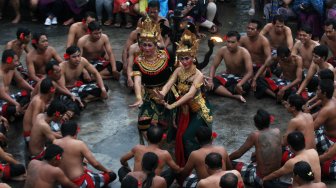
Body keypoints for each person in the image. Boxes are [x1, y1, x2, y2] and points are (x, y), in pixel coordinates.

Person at [156, 29, 213, 165]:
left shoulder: (198, 74)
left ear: (193, 57)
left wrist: (172, 105)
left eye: (186, 58)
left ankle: (198, 160)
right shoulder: (178, 70)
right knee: (174, 134)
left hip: (198, 109)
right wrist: (162, 93)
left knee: (186, 136)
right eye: (181, 58)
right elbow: (169, 83)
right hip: (184, 109)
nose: (184, 61)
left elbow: (190, 94)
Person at [129, 16, 173, 144]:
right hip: (148, 94)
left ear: (156, 45)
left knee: (168, 124)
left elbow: (178, 70)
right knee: (142, 124)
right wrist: (138, 97)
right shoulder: (139, 61)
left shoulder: (165, 55)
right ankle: (152, 145)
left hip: (167, 94)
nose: (146, 48)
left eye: (149, 45)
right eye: (144, 45)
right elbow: (137, 80)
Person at [53, 121, 117, 187]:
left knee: (85, 168)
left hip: (64, 183)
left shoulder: (55, 142)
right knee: (112, 175)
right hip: (81, 183)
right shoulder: (79, 144)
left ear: (62, 132)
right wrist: (106, 170)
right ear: (76, 132)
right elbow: (95, 164)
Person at [229, 109, 282, 187]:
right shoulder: (277, 131)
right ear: (269, 121)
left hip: (261, 179)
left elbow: (239, 153)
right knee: (254, 156)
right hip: (275, 176)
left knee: (233, 164)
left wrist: (226, 158)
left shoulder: (255, 135)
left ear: (256, 124)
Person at [208, 31, 253, 103]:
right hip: (227, 76)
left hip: (240, 79)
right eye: (228, 42)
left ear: (238, 42)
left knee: (246, 86)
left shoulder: (244, 52)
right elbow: (213, 66)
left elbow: (250, 72)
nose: (229, 45)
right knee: (209, 82)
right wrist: (210, 80)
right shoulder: (223, 50)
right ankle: (233, 95)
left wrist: (239, 84)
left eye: (232, 42)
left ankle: (222, 91)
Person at [0, 49, 33, 120]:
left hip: (10, 98)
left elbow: (21, 81)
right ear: (8, 60)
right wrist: (16, 104)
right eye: (16, 61)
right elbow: (2, 94)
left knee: (29, 94)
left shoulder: (12, 69)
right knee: (12, 109)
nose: (18, 63)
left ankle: (18, 111)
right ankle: (17, 112)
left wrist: (33, 90)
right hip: (1, 103)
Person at [23, 78, 55, 144]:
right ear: (51, 91)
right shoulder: (38, 102)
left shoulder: (41, 98)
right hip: (30, 135)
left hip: (35, 129)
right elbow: (35, 123)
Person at [313, 79, 336, 154]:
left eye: (318, 89)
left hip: (331, 140)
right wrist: (307, 116)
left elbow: (312, 127)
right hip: (327, 132)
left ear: (324, 93)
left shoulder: (326, 110)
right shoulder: (332, 99)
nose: (316, 91)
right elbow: (319, 114)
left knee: (304, 138)